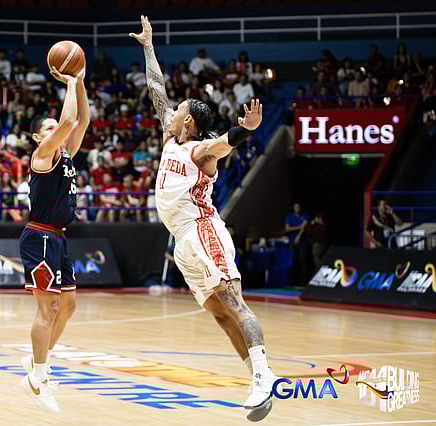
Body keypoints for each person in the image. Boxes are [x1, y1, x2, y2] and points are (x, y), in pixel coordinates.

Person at [131, 15, 277, 422]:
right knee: (218, 313)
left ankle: (264, 373)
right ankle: (257, 380)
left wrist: (246, 130)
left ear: (189, 121)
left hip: (202, 230)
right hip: (181, 240)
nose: (172, 112)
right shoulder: (170, 136)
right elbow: (157, 90)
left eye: (179, 111)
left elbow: (224, 143)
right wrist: (149, 47)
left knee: (234, 301)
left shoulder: (200, 151)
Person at [18, 62, 90, 414]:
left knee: (68, 306)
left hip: (59, 238)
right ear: (38, 138)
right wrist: (70, 81)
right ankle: (38, 377)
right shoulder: (43, 155)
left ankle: (37, 361)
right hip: (40, 237)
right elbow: (68, 122)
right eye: (48, 129)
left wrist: (81, 82)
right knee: (47, 309)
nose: (56, 131)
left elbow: (82, 121)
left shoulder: (65, 155)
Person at [285, 202, 310, 286]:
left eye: (298, 207)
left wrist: (298, 236)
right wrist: (299, 227)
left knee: (303, 261)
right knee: (293, 261)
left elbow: (304, 227)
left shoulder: (305, 215)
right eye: (296, 207)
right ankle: (293, 282)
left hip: (303, 242)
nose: (297, 208)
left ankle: (303, 282)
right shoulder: (289, 217)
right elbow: (287, 228)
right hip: (292, 242)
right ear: (293, 208)